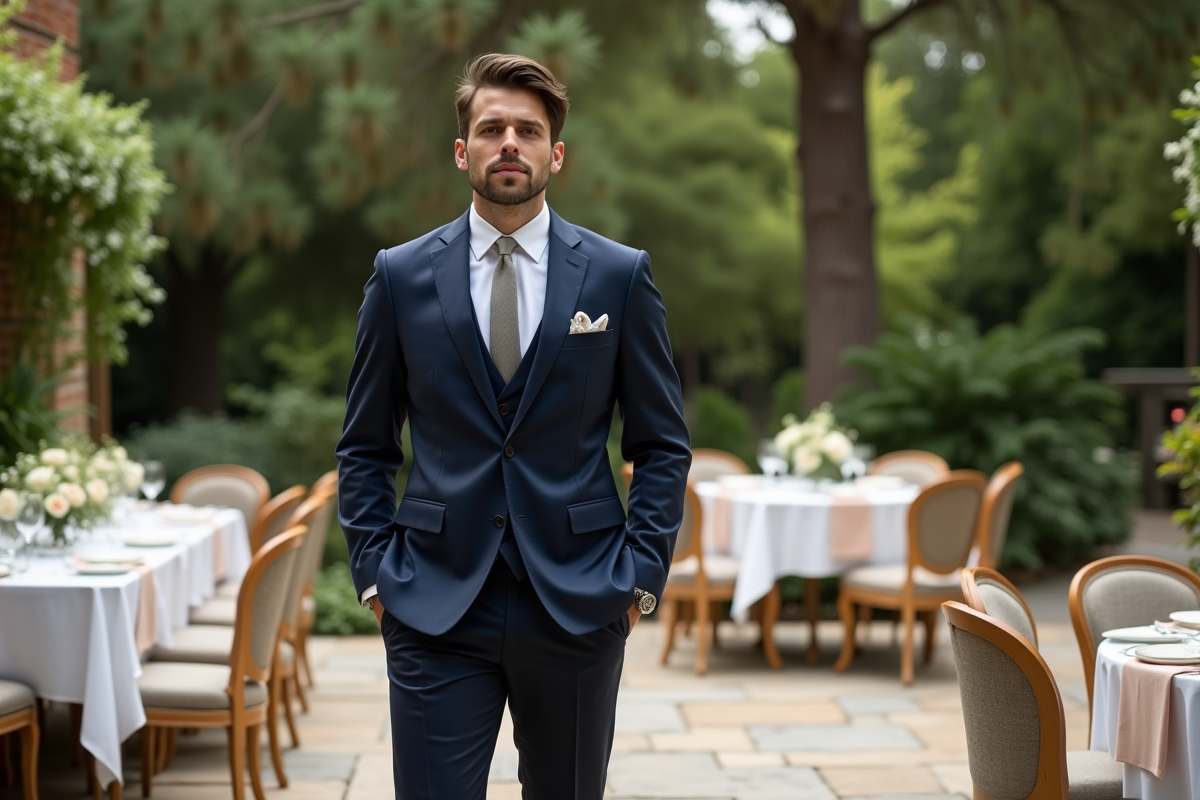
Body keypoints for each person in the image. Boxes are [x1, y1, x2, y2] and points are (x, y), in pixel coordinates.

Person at [336, 53, 690, 800]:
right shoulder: (399, 276)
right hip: (433, 599)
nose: (509, 143)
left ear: (554, 155)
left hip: (579, 596)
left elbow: (660, 443)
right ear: (462, 150)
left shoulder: (618, 275)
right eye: (491, 128)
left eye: (528, 131)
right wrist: (375, 575)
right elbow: (366, 444)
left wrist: (639, 581)